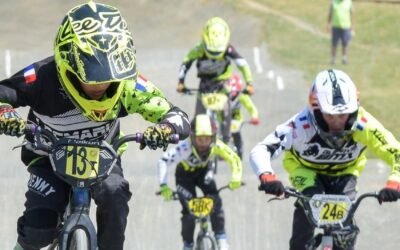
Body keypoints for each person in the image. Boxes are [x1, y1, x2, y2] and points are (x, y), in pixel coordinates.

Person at [0, 2, 190, 250]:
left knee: (115, 195)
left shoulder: (128, 85)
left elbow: (178, 116)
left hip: (103, 160)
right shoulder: (41, 76)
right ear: (67, 63)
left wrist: (164, 130)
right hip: (47, 159)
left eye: (110, 75)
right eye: (90, 75)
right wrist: (6, 114)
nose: (101, 86)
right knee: (37, 231)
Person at [250, 69, 400, 250]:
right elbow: (261, 149)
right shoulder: (300, 124)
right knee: (306, 218)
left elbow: (395, 151)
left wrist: (394, 182)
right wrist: (267, 176)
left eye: (343, 115)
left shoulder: (364, 124)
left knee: (345, 237)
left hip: (345, 174)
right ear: (316, 111)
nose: (337, 123)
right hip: (306, 172)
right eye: (330, 116)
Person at [157, 114, 243, 250]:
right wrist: (164, 186)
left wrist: (236, 177)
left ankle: (221, 238)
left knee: (216, 202)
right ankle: (188, 244)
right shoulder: (184, 148)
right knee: (189, 212)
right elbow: (163, 161)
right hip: (184, 177)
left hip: (204, 173)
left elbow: (234, 159)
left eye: (206, 139)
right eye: (199, 139)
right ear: (192, 138)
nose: (203, 143)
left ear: (213, 138)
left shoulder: (217, 145)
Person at [176, 17, 254, 142]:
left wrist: (249, 83)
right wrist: (180, 82)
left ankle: (226, 137)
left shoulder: (229, 49)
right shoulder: (199, 49)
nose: (215, 55)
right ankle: (194, 141)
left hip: (222, 85)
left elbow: (243, 64)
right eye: (211, 51)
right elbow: (186, 63)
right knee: (198, 118)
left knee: (227, 113)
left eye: (218, 53)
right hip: (204, 86)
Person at [228, 74, 260, 159]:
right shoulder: (220, 96)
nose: (231, 95)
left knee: (235, 130)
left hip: (236, 119)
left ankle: (239, 150)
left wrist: (254, 117)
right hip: (221, 120)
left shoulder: (241, 96)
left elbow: (251, 107)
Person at [327, 0, 355, 65]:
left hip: (346, 26)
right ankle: (333, 59)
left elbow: (352, 15)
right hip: (336, 26)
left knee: (345, 43)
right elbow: (330, 13)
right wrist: (328, 24)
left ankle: (344, 58)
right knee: (334, 43)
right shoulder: (334, 2)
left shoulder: (349, 2)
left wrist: (353, 27)